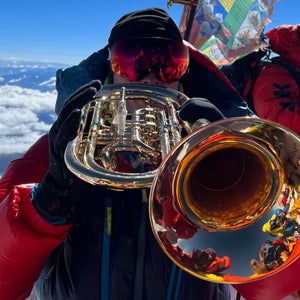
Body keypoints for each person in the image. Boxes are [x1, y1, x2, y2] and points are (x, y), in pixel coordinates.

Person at [0, 8, 254, 300]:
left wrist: (230, 171)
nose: (151, 80)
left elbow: (270, 281)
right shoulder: (60, 148)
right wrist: (48, 199)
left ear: (184, 77)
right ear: (110, 73)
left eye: (169, 66)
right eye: (133, 64)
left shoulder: (223, 149)